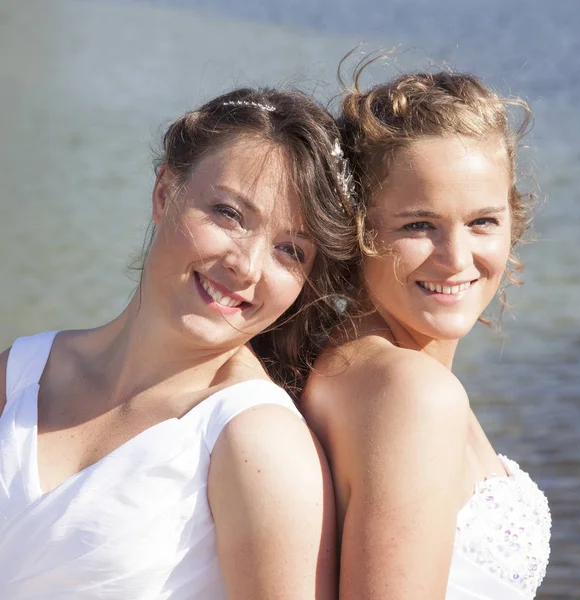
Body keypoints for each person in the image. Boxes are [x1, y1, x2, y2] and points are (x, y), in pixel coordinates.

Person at [0, 86, 357, 599]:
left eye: (290, 250)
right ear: (165, 193)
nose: (246, 265)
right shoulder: (24, 369)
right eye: (230, 214)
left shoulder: (257, 442)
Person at [303, 65, 551, 600]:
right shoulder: (412, 393)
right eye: (418, 225)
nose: (456, 259)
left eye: (483, 221)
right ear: (356, 230)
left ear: (514, 220)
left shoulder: (358, 364)